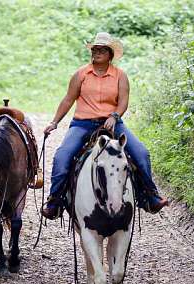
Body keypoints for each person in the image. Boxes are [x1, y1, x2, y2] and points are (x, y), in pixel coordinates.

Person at [40, 32, 168, 220]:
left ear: (110, 54)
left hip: (112, 123)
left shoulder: (120, 76)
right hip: (83, 123)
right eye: (94, 49)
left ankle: (150, 197)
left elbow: (123, 102)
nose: (96, 52)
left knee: (141, 153)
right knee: (62, 155)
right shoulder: (81, 74)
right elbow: (68, 99)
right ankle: (55, 201)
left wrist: (115, 116)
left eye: (101, 50)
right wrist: (54, 122)